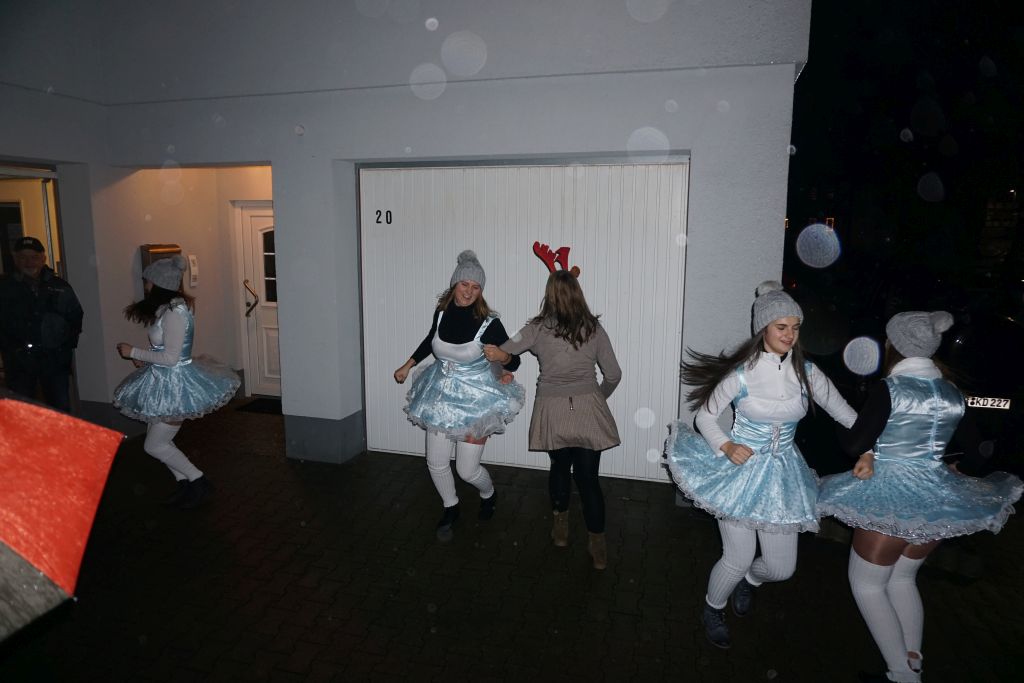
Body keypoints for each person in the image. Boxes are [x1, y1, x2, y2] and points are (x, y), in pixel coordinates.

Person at [817, 311, 1023, 683]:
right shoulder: (950, 391)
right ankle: (913, 664)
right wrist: (957, 469)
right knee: (902, 580)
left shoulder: (892, 389)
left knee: (867, 585)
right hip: (936, 500)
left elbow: (854, 443)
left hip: (890, 495)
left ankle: (902, 674)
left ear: (894, 345)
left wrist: (840, 419)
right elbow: (978, 452)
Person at [664, 281, 858, 649]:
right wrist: (726, 445)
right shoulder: (741, 374)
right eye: (781, 327)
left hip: (783, 476)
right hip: (738, 473)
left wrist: (871, 448)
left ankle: (750, 582)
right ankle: (712, 608)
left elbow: (845, 413)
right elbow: (705, 417)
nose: (790, 334)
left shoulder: (807, 373)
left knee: (781, 569)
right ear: (763, 329)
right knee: (736, 558)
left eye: (795, 327)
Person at [484, 268, 622, 570]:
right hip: (588, 409)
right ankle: (598, 547)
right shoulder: (594, 328)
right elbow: (614, 375)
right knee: (588, 480)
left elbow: (499, 353)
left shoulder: (536, 328)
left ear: (549, 295)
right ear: (578, 294)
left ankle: (560, 530)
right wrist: (597, 397)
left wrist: (500, 374)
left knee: (559, 468)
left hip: (552, 409)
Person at [394, 250, 524, 539]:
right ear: (455, 283)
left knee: (467, 470)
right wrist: (408, 364)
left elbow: (514, 360)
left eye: (476, 287)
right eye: (465, 284)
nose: (469, 291)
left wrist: (502, 357)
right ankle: (450, 507)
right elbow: (430, 340)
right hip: (439, 395)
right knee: (436, 462)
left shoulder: (489, 322)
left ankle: (488, 493)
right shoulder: (442, 313)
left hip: (477, 400)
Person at [113, 255, 240, 509]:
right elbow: (167, 351)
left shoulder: (175, 313)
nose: (146, 286)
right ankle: (185, 483)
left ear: (159, 283)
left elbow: (172, 359)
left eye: (148, 281)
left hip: (176, 387)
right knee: (161, 441)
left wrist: (133, 352)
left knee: (154, 445)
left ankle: (198, 480)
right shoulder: (167, 309)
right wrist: (145, 361)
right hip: (164, 382)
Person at [0, 236, 83, 412]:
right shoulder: (5, 288)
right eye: (23, 257)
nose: (29, 262)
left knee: (59, 411)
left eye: (34, 257)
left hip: (54, 363)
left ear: (43, 258)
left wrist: (63, 349)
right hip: (19, 365)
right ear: (15, 258)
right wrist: (12, 350)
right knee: (23, 413)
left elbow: (76, 317)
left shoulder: (60, 286)